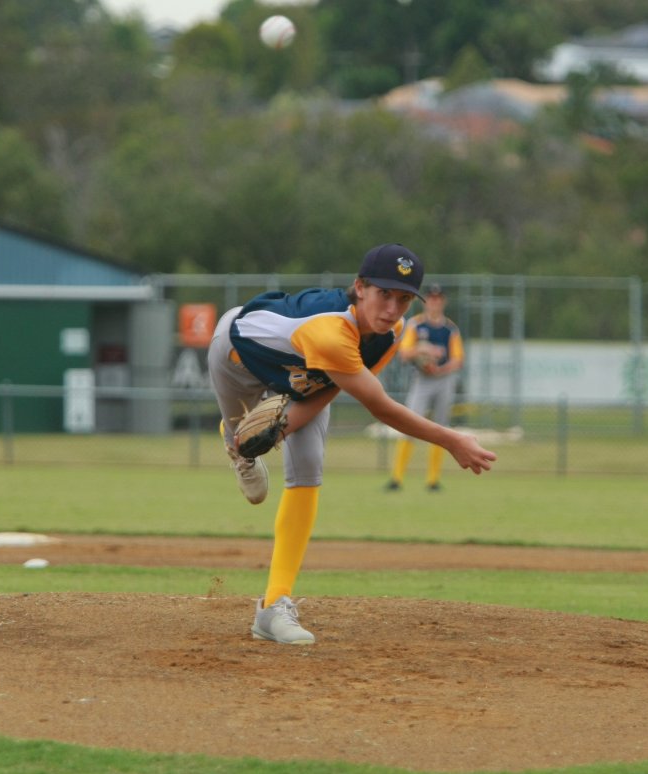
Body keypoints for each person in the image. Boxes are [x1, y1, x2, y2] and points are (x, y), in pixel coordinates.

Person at [207, 243, 497, 645]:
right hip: (239, 355)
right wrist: (451, 439)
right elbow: (383, 408)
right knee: (246, 448)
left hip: (306, 372)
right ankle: (236, 443)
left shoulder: (388, 335)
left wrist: (286, 427)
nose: (393, 308)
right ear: (359, 288)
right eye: (384, 294)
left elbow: (329, 389)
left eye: (404, 299)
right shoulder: (330, 332)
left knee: (308, 468)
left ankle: (273, 607)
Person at [384, 281, 463, 492]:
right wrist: (423, 349)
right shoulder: (416, 325)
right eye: (431, 298)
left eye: (438, 298)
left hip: (443, 380)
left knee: (441, 427)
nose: (434, 302)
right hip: (422, 379)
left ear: (443, 302)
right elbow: (404, 353)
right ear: (425, 302)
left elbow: (457, 360)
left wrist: (440, 368)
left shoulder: (450, 329)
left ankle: (433, 480)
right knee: (409, 424)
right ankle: (397, 478)